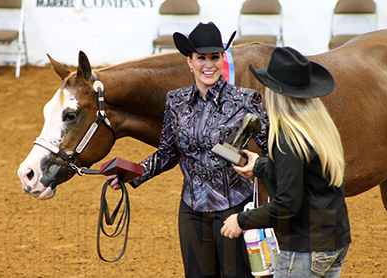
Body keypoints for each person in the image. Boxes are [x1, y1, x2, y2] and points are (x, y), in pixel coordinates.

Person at [108, 22, 269, 277]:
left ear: (222, 59)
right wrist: (133, 173)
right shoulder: (176, 101)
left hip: (234, 209)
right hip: (191, 211)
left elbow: (273, 149)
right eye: (201, 58)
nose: (208, 64)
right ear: (189, 61)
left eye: (214, 57)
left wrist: (258, 165)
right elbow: (167, 153)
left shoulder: (246, 100)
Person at [221, 47, 351, 278]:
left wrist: (241, 220)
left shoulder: (287, 138)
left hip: (305, 247)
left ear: (276, 93)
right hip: (334, 239)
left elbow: (286, 205)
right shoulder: (319, 128)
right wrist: (260, 166)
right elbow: (307, 174)